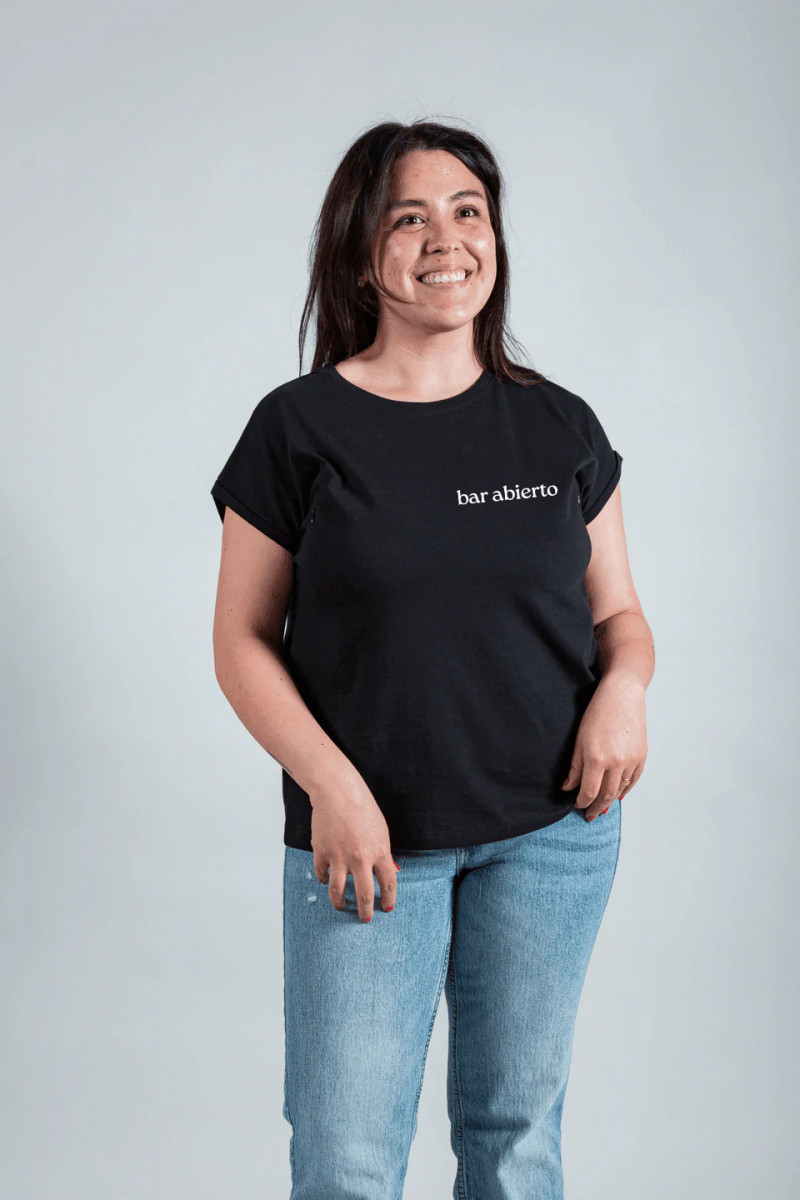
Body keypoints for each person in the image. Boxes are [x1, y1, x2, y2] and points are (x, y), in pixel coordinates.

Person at [210, 119, 654, 1200]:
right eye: (408, 217)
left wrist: (624, 688)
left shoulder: (558, 425)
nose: (445, 239)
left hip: (552, 834)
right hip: (366, 847)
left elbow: (619, 615)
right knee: (346, 1161)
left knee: (515, 1141)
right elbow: (239, 641)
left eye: (467, 212)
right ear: (363, 250)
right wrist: (333, 789)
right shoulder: (297, 428)